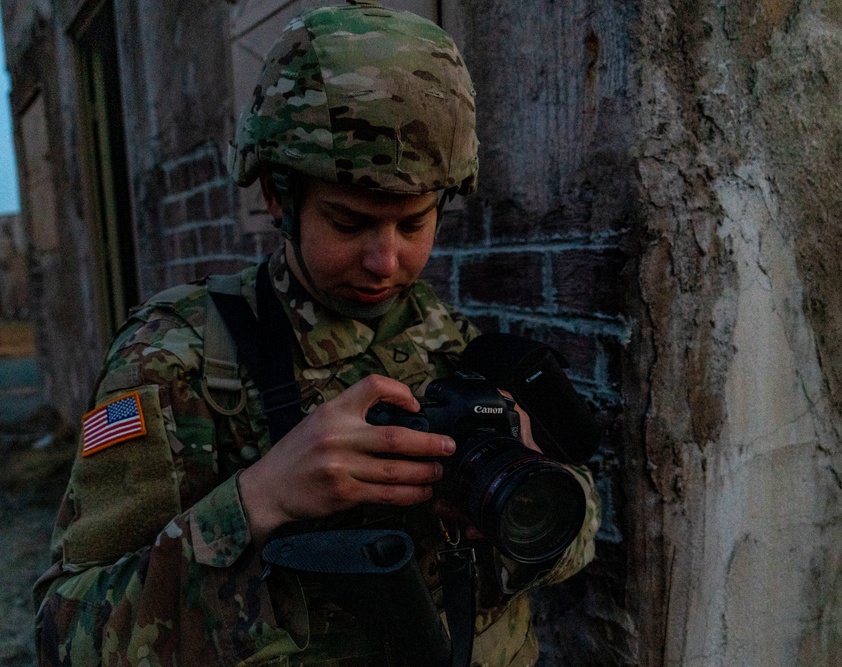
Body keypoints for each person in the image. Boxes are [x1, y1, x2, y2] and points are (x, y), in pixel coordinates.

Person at [33, 3, 599, 666]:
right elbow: (64, 634)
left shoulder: (464, 347)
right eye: (349, 222)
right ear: (278, 195)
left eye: (413, 223)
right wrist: (258, 499)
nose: (385, 260)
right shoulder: (177, 356)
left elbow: (575, 536)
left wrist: (524, 500)